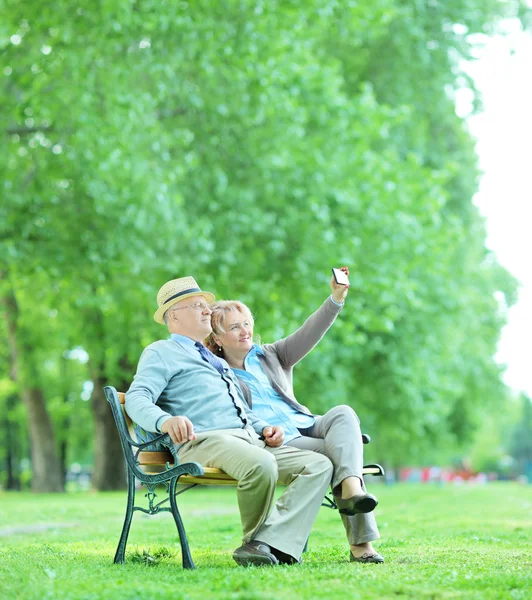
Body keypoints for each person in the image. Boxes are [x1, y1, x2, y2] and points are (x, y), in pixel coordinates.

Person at [125, 276, 333, 567]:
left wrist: (264, 428)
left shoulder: (217, 361)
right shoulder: (162, 352)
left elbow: (241, 411)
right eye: (197, 305)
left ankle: (268, 543)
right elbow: (137, 397)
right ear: (174, 315)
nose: (206, 310)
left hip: (246, 439)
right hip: (204, 441)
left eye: (206, 305)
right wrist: (164, 421)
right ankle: (255, 543)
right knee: (261, 463)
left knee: (318, 465)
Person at [205, 267, 384, 564]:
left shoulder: (272, 354)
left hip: (307, 424)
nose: (245, 330)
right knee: (337, 456)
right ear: (217, 337)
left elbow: (310, 331)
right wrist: (263, 430)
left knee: (343, 413)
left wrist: (336, 299)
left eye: (247, 323)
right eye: (235, 327)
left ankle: (351, 485)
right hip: (279, 442)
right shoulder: (216, 372)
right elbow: (236, 414)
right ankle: (361, 546)